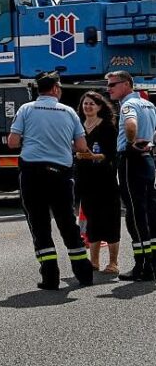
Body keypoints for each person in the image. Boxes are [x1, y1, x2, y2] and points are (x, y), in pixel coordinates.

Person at [8, 72, 94, 290]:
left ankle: (50, 277)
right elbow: (82, 147)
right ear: (56, 89)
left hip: (32, 173)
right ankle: (83, 273)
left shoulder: (26, 109)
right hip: (61, 174)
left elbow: (12, 142)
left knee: (39, 224)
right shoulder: (69, 112)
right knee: (67, 222)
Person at [106, 70, 156, 281]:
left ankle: (143, 265)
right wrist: (150, 144)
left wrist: (130, 143)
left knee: (135, 214)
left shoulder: (128, 105)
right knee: (150, 211)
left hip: (131, 160)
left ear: (126, 84)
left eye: (112, 85)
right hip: (148, 159)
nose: (109, 89)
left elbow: (130, 124)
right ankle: (153, 262)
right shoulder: (149, 104)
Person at [74, 92, 120, 274]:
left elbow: (111, 154)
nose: (88, 107)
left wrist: (95, 156)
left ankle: (113, 262)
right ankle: (94, 262)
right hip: (85, 180)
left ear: (100, 106)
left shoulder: (108, 127)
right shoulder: (78, 126)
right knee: (92, 220)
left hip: (106, 179)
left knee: (110, 220)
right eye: (85, 104)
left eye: (92, 104)